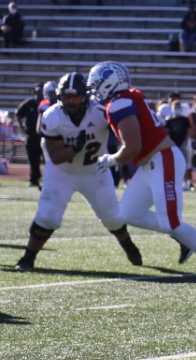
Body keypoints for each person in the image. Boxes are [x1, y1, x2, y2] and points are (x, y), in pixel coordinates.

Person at [87, 61, 196, 277]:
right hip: (152, 163)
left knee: (171, 222)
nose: (95, 89)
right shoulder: (131, 95)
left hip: (163, 159)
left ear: (109, 83)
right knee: (129, 214)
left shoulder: (119, 104)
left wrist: (111, 160)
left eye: (97, 84)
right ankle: (185, 236)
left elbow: (132, 147)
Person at [15, 72, 143, 271]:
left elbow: (126, 129)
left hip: (95, 170)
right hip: (62, 172)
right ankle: (27, 258)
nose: (71, 101)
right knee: (47, 216)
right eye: (67, 97)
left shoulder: (101, 110)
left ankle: (127, 244)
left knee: (112, 218)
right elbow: (56, 156)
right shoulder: (52, 116)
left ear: (86, 96)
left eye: (75, 96)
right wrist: (75, 148)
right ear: (60, 97)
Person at [16, 84, 44, 187]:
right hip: (31, 137)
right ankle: (34, 180)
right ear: (34, 92)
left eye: (41, 92)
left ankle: (50, 180)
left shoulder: (47, 104)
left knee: (49, 160)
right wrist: (22, 127)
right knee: (33, 160)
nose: (39, 94)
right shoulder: (29, 103)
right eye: (38, 92)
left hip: (45, 138)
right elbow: (18, 114)